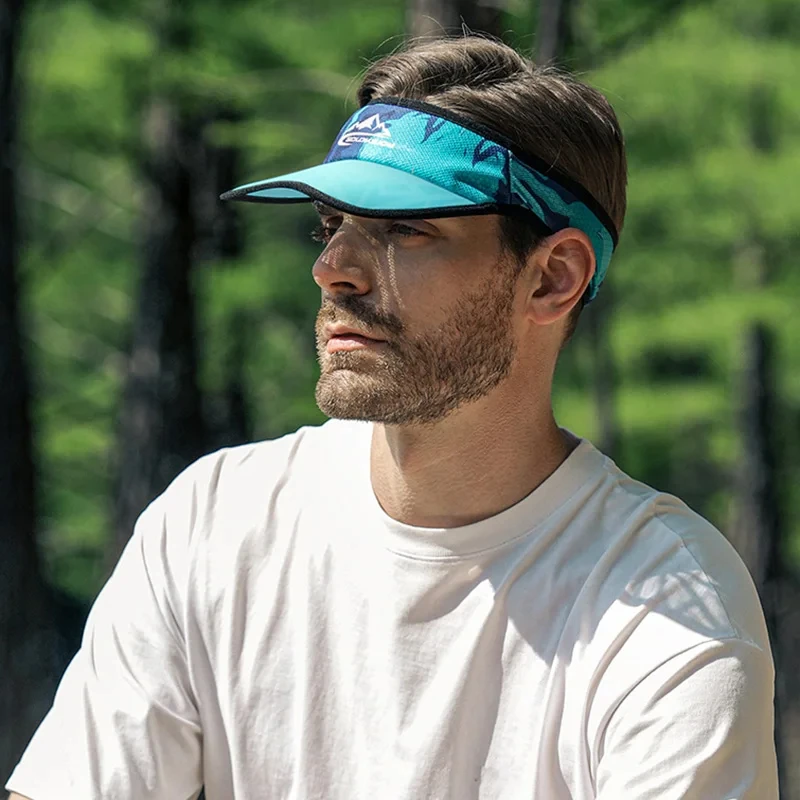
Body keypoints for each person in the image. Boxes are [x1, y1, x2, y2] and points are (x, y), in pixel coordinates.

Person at [6, 35, 778, 800]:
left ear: (553, 278)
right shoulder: (214, 524)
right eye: (330, 226)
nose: (331, 269)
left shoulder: (666, 606)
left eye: (405, 228)